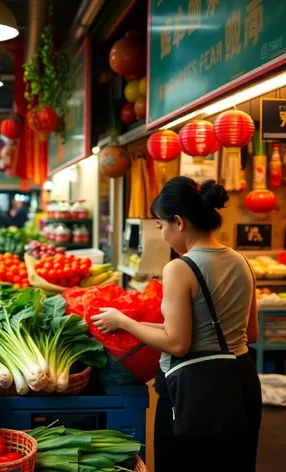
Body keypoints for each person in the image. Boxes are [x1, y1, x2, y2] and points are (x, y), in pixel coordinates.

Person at [92, 177, 261, 472]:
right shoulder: (241, 261)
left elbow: (177, 343)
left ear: (179, 222)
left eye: (161, 226)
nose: (163, 234)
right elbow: (251, 333)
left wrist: (124, 322)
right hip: (242, 382)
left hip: (197, 390)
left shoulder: (180, 268)